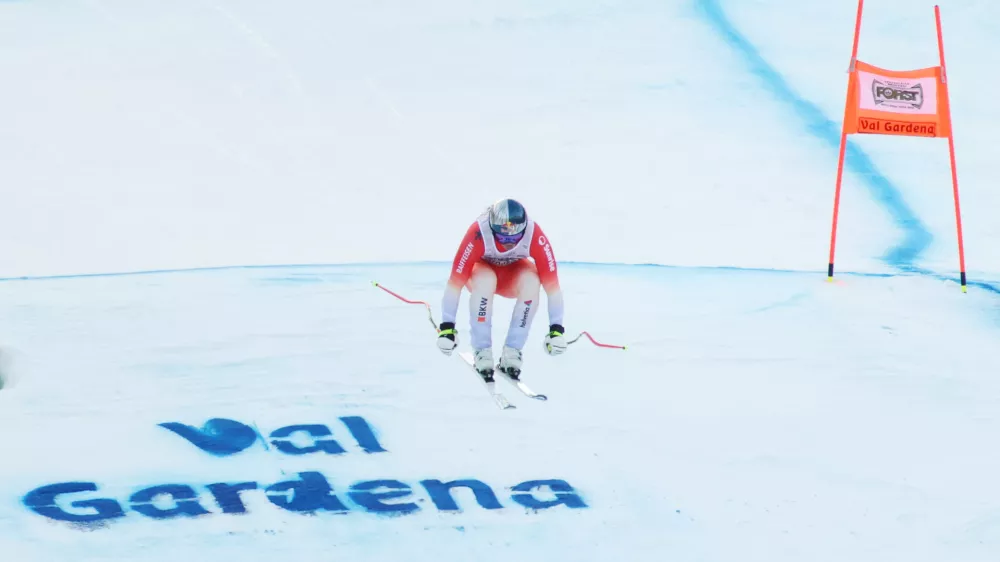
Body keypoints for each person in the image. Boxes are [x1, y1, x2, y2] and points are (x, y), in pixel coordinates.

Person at [435, 198, 567, 380]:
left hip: (511, 277)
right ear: (491, 227)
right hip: (481, 273)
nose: (508, 242)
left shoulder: (534, 234)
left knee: (532, 282)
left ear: (524, 228)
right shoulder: (478, 232)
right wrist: (447, 328)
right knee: (486, 280)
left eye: (514, 237)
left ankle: (512, 352)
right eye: (502, 237)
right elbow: (454, 284)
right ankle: (482, 351)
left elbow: (553, 288)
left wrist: (556, 330)